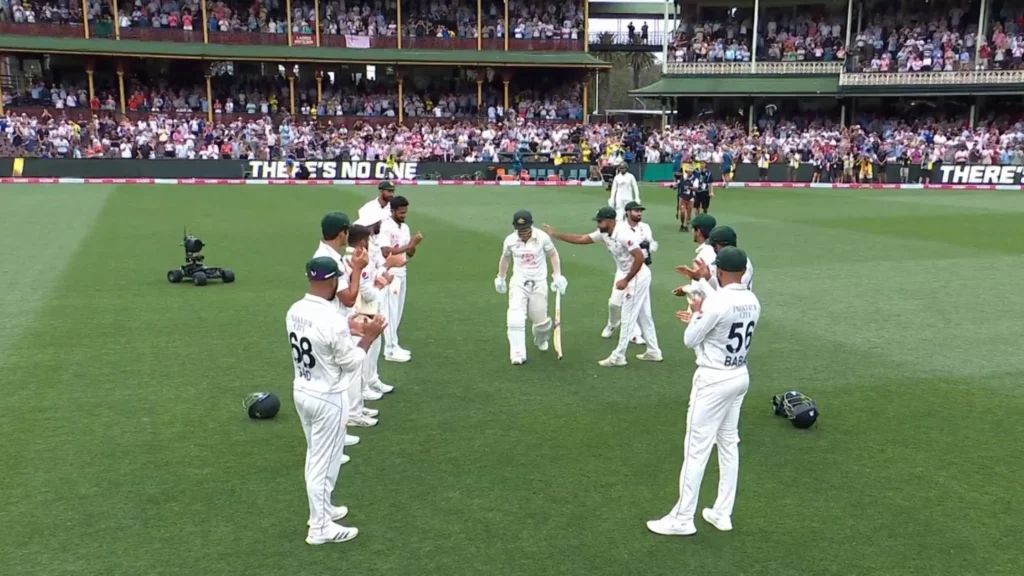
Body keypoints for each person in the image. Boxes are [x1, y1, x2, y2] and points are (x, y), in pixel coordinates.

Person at [647, 246, 760, 537]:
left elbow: (690, 339)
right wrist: (702, 305)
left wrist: (696, 313)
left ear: (720, 271)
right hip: (739, 375)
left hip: (713, 378)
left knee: (695, 449)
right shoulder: (752, 299)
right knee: (728, 444)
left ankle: (683, 518)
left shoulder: (717, 302)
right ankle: (722, 512)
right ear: (743, 272)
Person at [287, 256, 386, 545]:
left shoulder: (295, 310)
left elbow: (323, 331)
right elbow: (352, 363)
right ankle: (320, 527)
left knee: (315, 457)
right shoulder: (331, 320)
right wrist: (367, 337)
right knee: (324, 462)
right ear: (332, 281)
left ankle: (324, 510)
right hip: (328, 397)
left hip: (302, 389)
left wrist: (348, 327)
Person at [544, 206, 661, 367]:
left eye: (600, 221)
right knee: (644, 315)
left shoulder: (623, 234)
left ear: (611, 220)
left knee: (628, 317)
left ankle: (619, 356)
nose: (598, 224)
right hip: (633, 275)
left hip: (637, 276)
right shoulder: (605, 233)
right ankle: (654, 351)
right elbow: (581, 239)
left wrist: (626, 279)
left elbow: (639, 257)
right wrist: (555, 234)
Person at [312, 212, 377, 443]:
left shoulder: (329, 256)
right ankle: (346, 420)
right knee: (345, 373)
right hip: (334, 322)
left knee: (349, 372)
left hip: (339, 319)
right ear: (342, 233)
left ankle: (351, 415)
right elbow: (348, 297)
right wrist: (358, 270)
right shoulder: (328, 259)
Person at [495, 210, 567, 364]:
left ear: (531, 226)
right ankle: (517, 353)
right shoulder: (510, 240)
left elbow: (553, 254)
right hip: (519, 282)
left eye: (526, 230)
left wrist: (557, 275)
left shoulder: (542, 238)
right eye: (520, 230)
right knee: (515, 317)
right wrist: (501, 277)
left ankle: (540, 339)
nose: (523, 233)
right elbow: (505, 258)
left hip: (539, 282)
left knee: (542, 323)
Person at [602, 200, 657, 345]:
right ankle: (612, 324)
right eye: (636, 211)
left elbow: (650, 245)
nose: (639, 213)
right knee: (614, 303)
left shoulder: (645, 228)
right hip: (623, 270)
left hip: (640, 269)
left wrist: (647, 250)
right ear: (628, 212)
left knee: (638, 305)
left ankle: (635, 334)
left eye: (640, 211)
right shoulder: (621, 228)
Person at [379, 195, 424, 363]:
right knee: (390, 311)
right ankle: (389, 350)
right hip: (390, 274)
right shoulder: (386, 227)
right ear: (392, 211)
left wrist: (414, 245)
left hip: (402, 271)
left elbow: (409, 252)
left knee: (397, 312)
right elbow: (385, 251)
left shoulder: (404, 227)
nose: (404, 215)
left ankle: (394, 345)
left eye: (405, 212)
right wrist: (410, 243)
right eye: (401, 212)